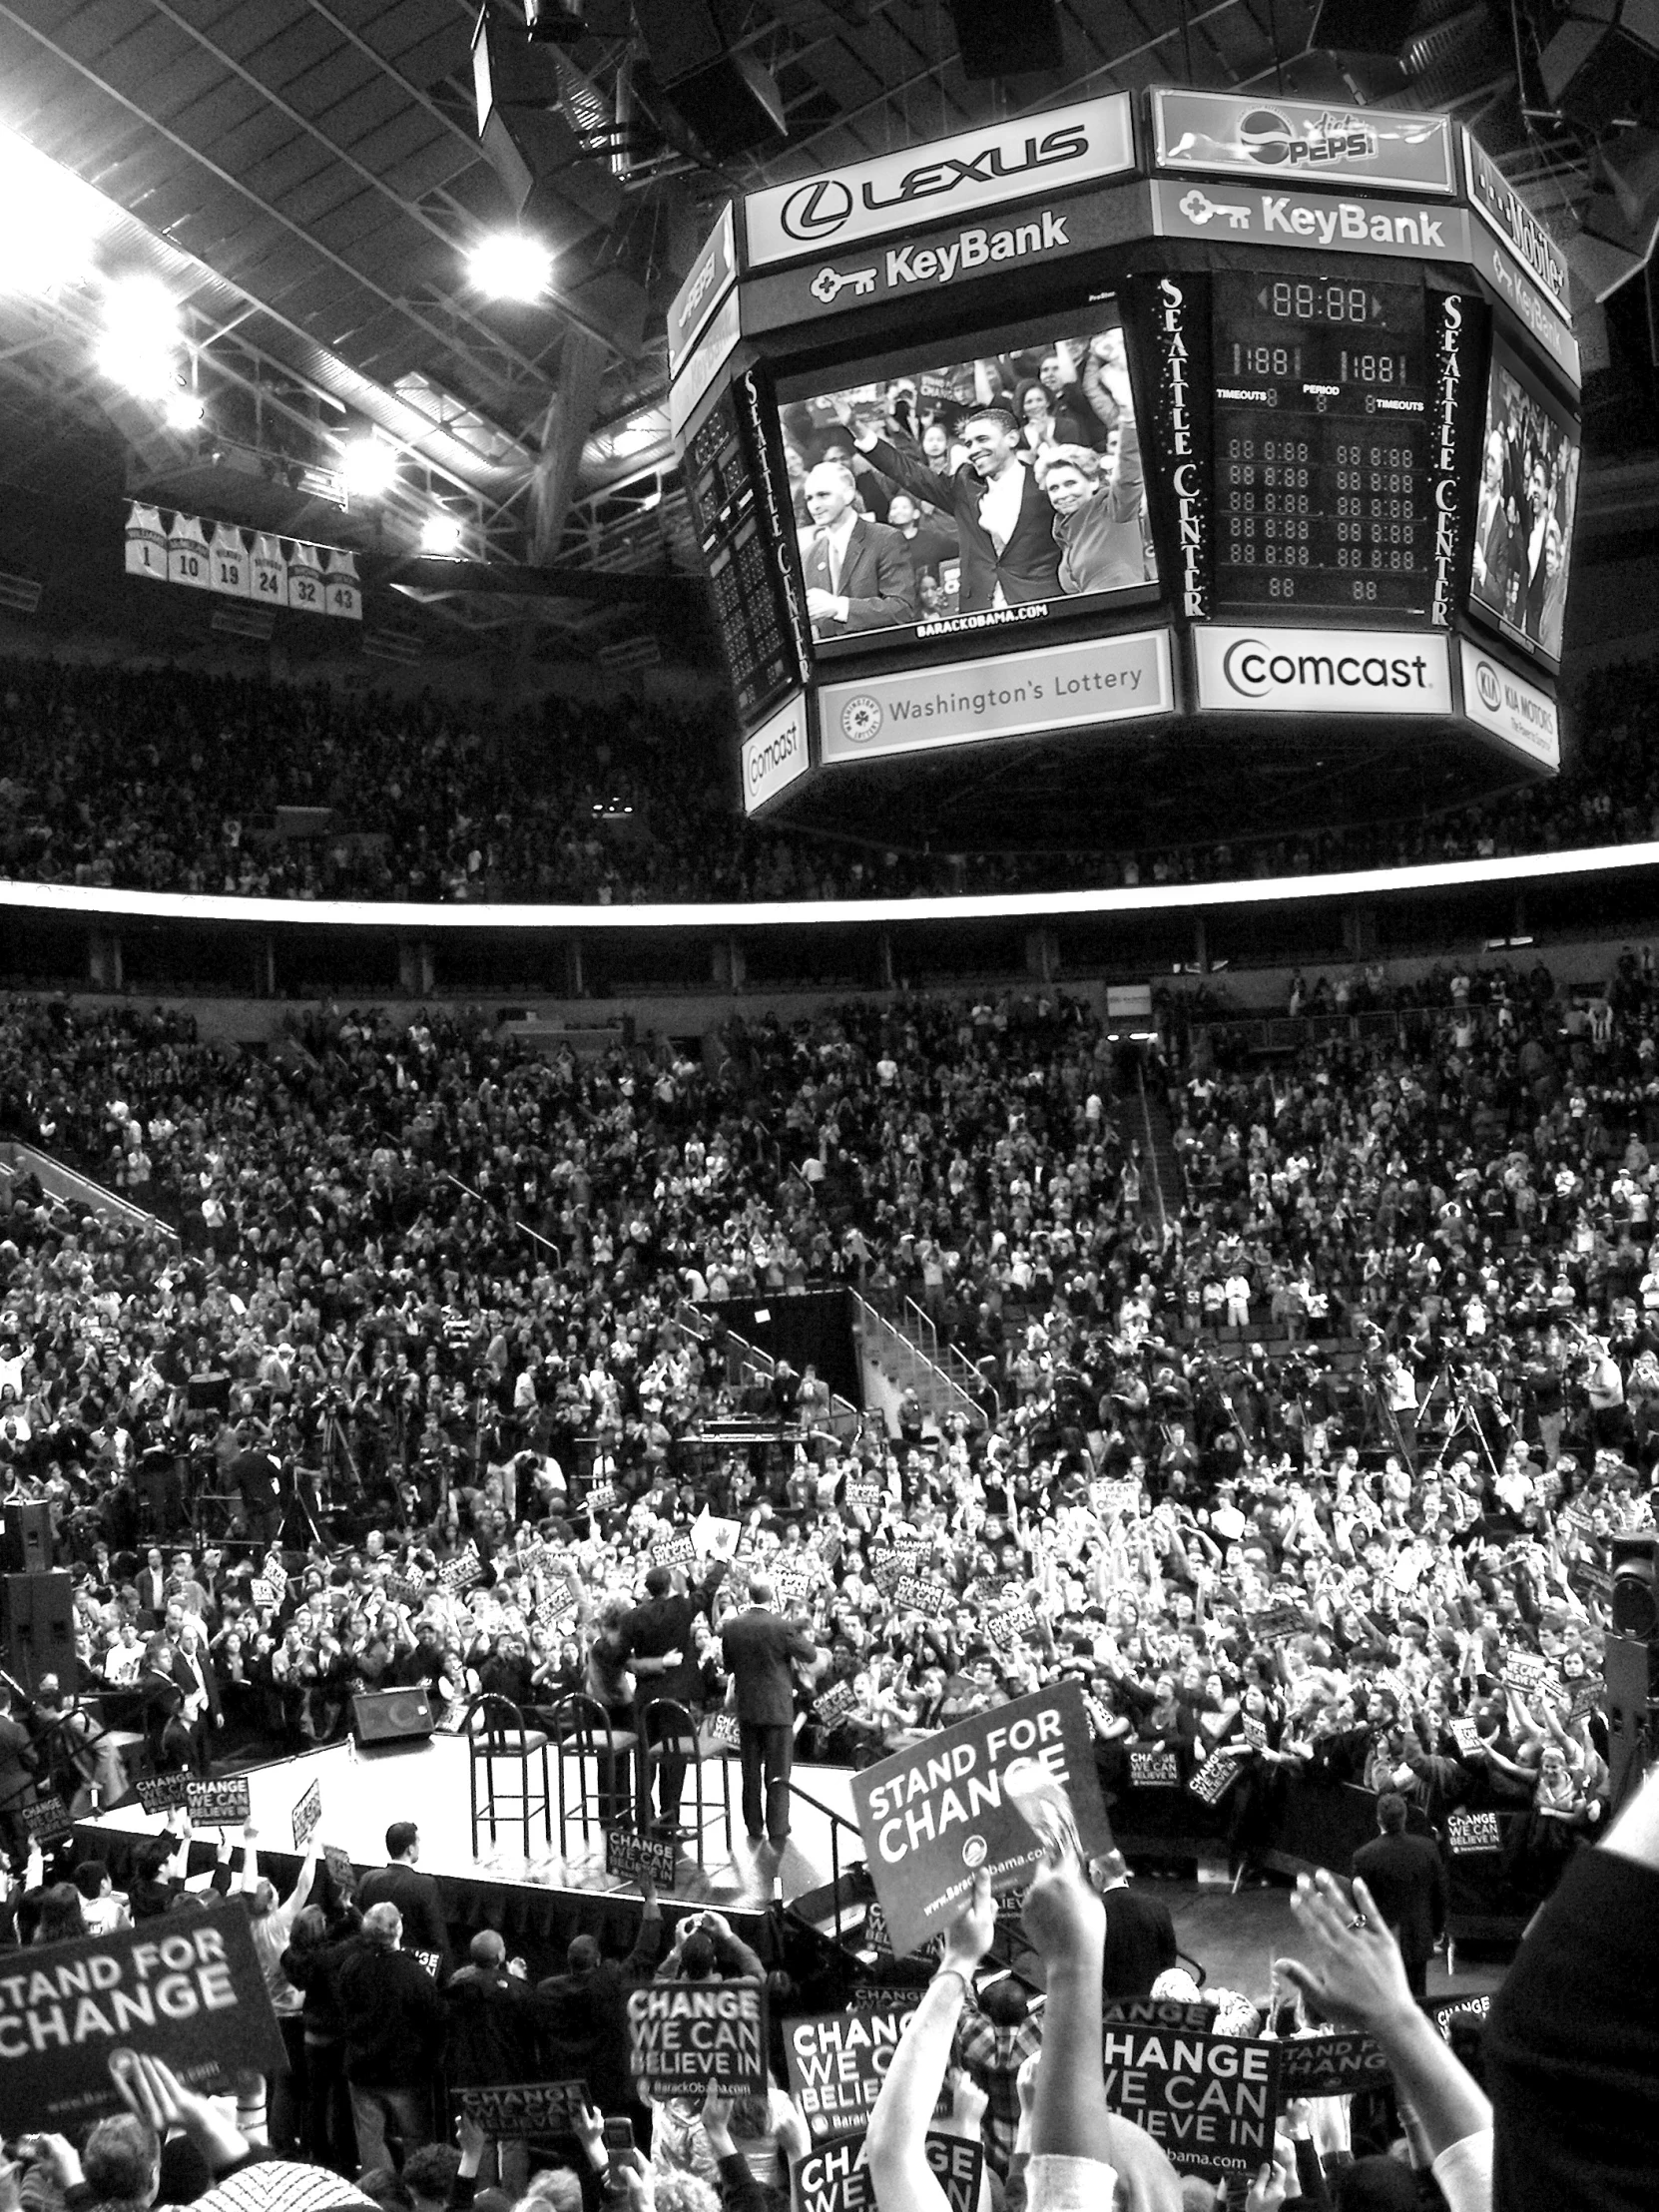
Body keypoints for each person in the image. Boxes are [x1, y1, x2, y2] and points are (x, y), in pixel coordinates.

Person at [850, 405, 1062, 614]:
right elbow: (910, 473)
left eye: (982, 439)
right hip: (979, 614)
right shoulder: (964, 486)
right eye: (968, 443)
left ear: (1012, 439)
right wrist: (857, 428)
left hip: (1042, 606)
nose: (973, 450)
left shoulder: (1046, 482)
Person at [537, 1871, 663, 2148]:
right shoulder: (610, 1981)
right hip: (612, 2091)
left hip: (571, 2095)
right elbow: (644, 1951)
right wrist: (651, 1899)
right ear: (597, 1961)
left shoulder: (547, 1992)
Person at [336, 1901, 447, 2172]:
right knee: (416, 2141)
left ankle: (382, 2196)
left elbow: (344, 2009)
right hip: (406, 2076)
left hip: (362, 2072)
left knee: (370, 2140)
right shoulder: (416, 1975)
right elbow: (436, 2023)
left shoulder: (352, 1966)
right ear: (399, 1928)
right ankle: (417, 2194)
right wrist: (430, 2065)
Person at [620, 1560, 727, 1834]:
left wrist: (655, 1662)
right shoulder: (681, 1607)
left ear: (647, 1589)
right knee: (674, 1758)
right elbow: (707, 1590)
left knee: (644, 1759)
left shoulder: (631, 1618)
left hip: (645, 1698)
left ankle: (645, 1817)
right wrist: (721, 1560)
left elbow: (621, 1658)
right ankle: (670, 1819)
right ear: (669, 1586)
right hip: (676, 1700)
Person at [720, 1575, 819, 1850]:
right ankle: (777, 1827)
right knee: (777, 1771)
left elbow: (729, 1666)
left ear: (749, 1595)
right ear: (771, 1596)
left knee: (749, 1770)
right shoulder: (781, 1626)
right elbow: (810, 1654)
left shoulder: (732, 1626)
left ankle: (753, 1826)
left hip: (747, 1707)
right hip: (777, 1709)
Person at [796, 463, 917, 641]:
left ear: (848, 494)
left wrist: (839, 607)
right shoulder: (808, 557)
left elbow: (902, 610)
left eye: (823, 495)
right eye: (809, 498)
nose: (815, 506)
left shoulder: (886, 539)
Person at [1352, 1791, 1447, 1998]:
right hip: (1419, 1936)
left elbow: (1359, 1905)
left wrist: (1357, 1933)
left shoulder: (1364, 1856)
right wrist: (1437, 1930)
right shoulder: (1428, 1848)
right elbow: (1440, 1894)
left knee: (1387, 1998)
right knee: (1418, 1997)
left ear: (1379, 1819)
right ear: (1405, 1817)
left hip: (1383, 1940)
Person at [356, 1820, 449, 1978]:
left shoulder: (367, 1879)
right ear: (410, 1849)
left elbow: (357, 1922)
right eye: (418, 1842)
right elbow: (437, 1937)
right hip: (410, 1969)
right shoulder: (425, 1885)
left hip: (371, 1965)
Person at [1093, 1848, 1179, 2000]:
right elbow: (1169, 1959)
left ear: (1099, 1876)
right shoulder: (1157, 1906)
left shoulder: (1092, 1913)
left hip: (1109, 2006)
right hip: (1153, 2004)